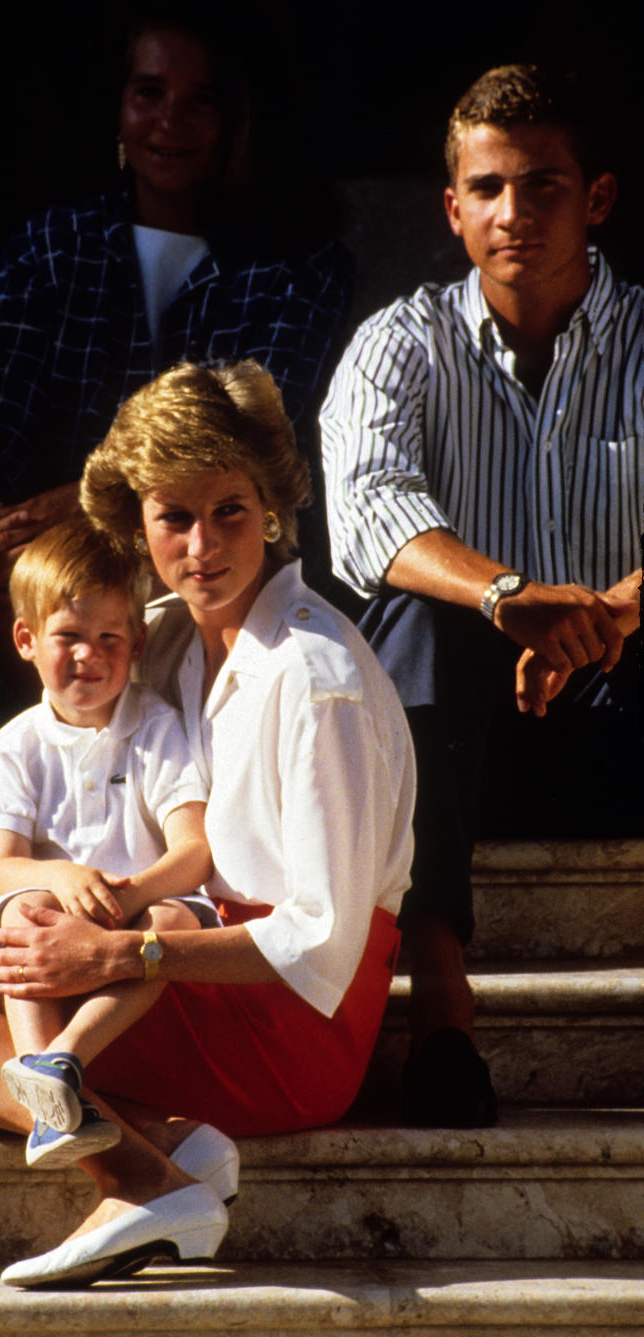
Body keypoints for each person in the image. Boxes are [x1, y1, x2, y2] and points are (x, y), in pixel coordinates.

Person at [0, 358, 414, 1289]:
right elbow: (39, 800)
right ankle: (172, 1144)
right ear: (139, 523)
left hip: (290, 1018)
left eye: (230, 512)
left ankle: (141, 1179)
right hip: (169, 957)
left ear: (276, 510)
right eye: (173, 516)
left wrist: (119, 955)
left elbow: (321, 947)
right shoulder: (162, 633)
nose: (202, 546)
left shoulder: (315, 677)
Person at [319, 64, 643, 1128]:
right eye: (490, 188)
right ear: (451, 208)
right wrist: (507, 597)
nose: (516, 213)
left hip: (623, 721)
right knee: (411, 618)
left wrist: (610, 616)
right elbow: (367, 505)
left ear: (595, 198)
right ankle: (443, 1016)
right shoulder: (399, 343)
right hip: (457, 750)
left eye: (544, 184)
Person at [0, 4, 352, 680]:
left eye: (200, 101)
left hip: (213, 570)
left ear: (237, 118)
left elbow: (257, 436)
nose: (169, 121)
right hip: (62, 585)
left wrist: (96, 497)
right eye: (149, 93)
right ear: (119, 107)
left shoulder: (297, 263)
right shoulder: (54, 247)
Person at [0, 517, 216, 1168]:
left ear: (137, 641)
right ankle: (43, 1094)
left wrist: (131, 892)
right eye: (70, 636)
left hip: (139, 924)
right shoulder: (12, 748)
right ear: (26, 639)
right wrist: (59, 879)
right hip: (55, 923)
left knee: (175, 915)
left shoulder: (158, 727)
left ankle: (64, 1059)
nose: (90, 654)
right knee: (18, 916)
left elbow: (194, 850)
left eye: (111, 636)